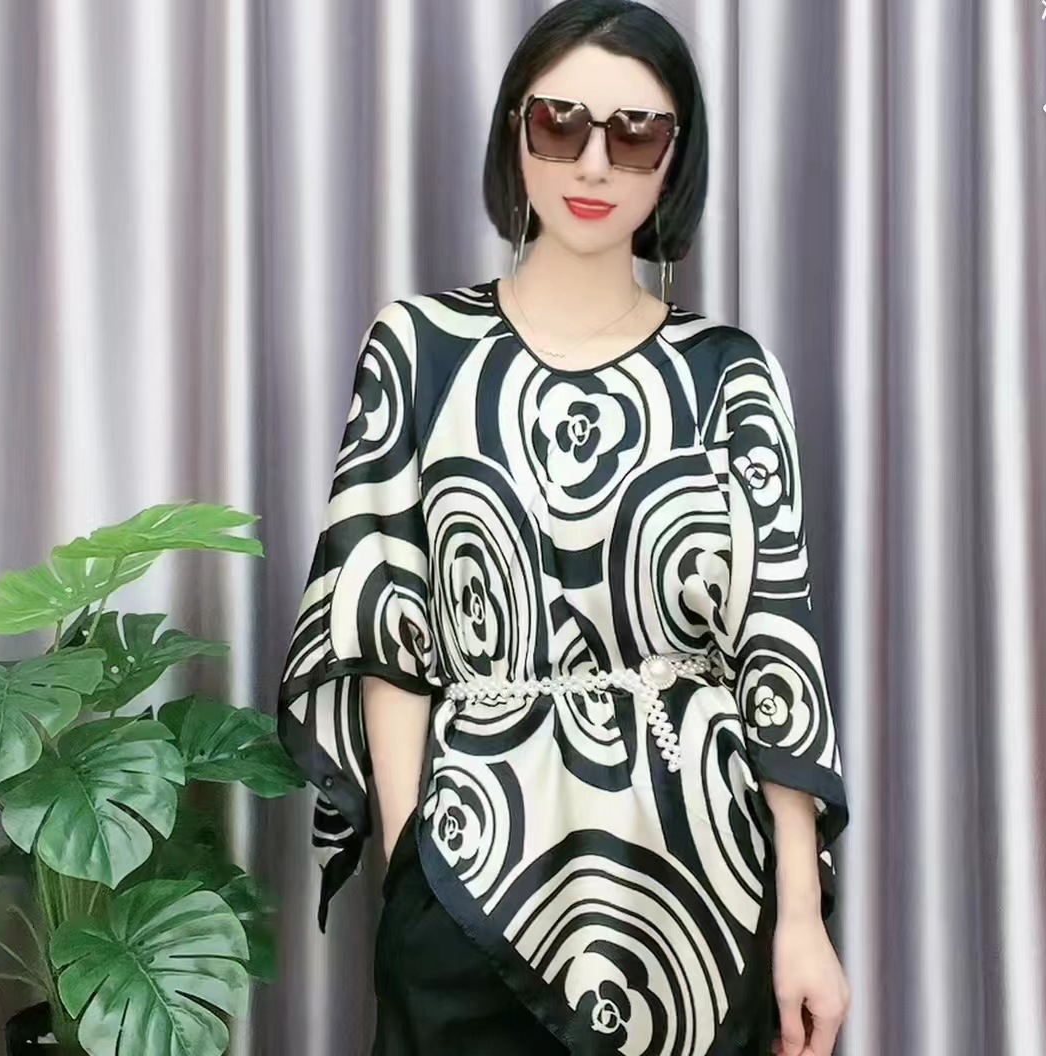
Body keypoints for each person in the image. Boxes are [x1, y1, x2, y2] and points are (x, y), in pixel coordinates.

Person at [276, 1, 851, 1053]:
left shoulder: (730, 375)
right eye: (560, 122)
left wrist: (803, 922)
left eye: (635, 134)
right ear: (515, 130)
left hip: (701, 892)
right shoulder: (420, 348)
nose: (593, 163)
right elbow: (384, 628)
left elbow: (776, 646)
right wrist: (411, 871)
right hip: (471, 883)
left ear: (676, 158)